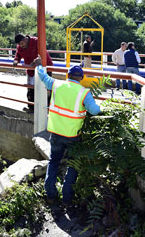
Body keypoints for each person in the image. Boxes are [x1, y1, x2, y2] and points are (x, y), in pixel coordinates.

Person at [33, 59, 101, 205]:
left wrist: (39, 65)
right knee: (73, 164)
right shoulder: (84, 93)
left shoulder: (57, 84)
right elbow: (94, 111)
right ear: (81, 78)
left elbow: (43, 77)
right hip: (73, 136)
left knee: (53, 162)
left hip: (56, 133)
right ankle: (67, 196)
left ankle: (50, 194)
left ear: (67, 75)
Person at [13, 34, 54, 112]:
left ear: (25, 39)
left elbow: (42, 53)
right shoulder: (20, 47)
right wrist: (16, 60)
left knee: (46, 88)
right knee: (31, 88)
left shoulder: (37, 41)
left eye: (22, 43)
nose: (21, 46)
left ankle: (48, 108)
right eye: (19, 45)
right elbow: (18, 54)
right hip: (31, 69)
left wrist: (36, 61)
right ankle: (31, 107)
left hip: (44, 67)